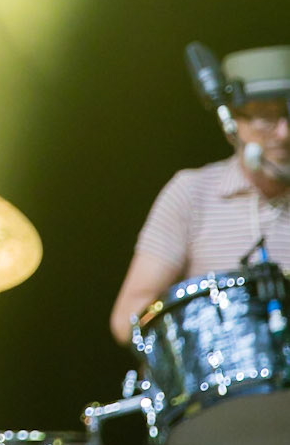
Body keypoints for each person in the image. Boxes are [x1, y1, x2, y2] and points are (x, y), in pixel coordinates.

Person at [110, 46, 290, 346]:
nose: (284, 133)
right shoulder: (191, 193)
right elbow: (126, 317)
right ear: (231, 122)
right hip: (217, 385)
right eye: (266, 118)